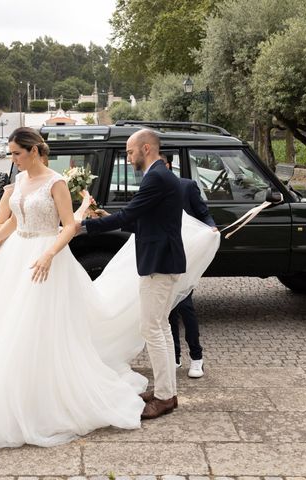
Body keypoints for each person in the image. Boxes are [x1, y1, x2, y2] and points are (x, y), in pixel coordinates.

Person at [0, 128, 144, 453]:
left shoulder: (55, 182)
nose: (12, 158)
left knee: (35, 323)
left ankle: (44, 398)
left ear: (33, 151)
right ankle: (4, 393)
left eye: (16, 153)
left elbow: (70, 225)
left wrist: (48, 253)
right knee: (3, 323)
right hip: (16, 255)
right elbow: (15, 220)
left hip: (46, 257)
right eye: (11, 153)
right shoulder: (19, 182)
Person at [77, 129, 186, 420]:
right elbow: (146, 220)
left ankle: (165, 397)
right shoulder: (161, 175)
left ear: (146, 148)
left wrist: (85, 226)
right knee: (159, 327)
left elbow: (130, 215)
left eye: (129, 152)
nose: (128, 157)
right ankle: (166, 391)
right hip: (163, 259)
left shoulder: (156, 177)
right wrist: (103, 218)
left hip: (159, 263)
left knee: (152, 328)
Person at [164, 157, 218, 379]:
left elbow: (203, 212)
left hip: (187, 254)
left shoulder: (187, 186)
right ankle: (175, 356)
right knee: (169, 309)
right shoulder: (151, 191)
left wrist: (212, 227)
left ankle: (197, 358)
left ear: (167, 166)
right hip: (164, 255)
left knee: (185, 304)